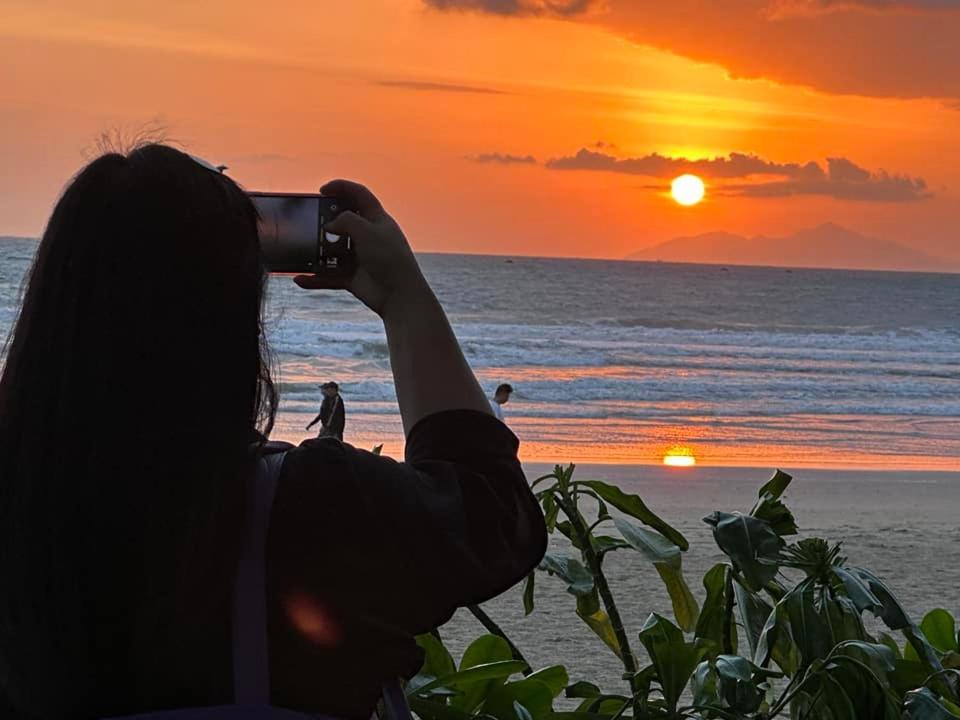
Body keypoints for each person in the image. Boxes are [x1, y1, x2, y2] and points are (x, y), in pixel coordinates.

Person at [0, 144, 546, 719]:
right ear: (229, 324)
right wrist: (404, 300)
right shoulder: (309, 506)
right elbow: (493, 514)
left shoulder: (20, 507)